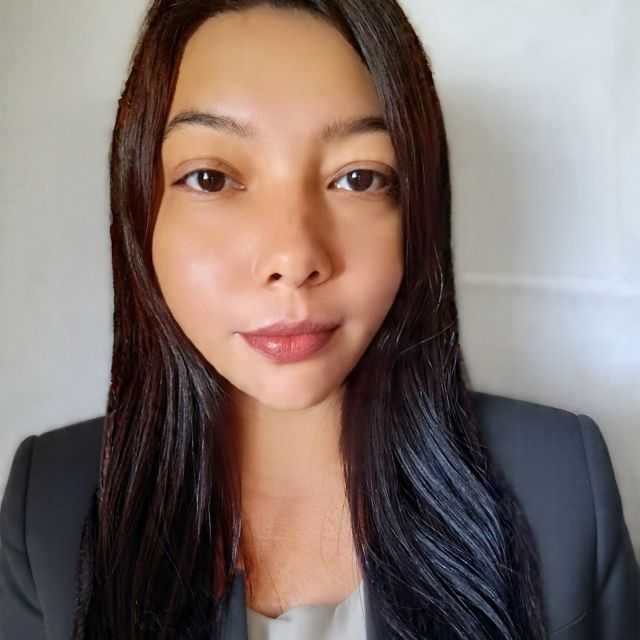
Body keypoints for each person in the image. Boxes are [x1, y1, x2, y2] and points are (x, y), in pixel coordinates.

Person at [1, 1, 638, 639]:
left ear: (418, 210)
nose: (294, 257)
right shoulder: (50, 504)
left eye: (358, 178)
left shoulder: (560, 486)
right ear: (141, 209)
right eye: (211, 178)